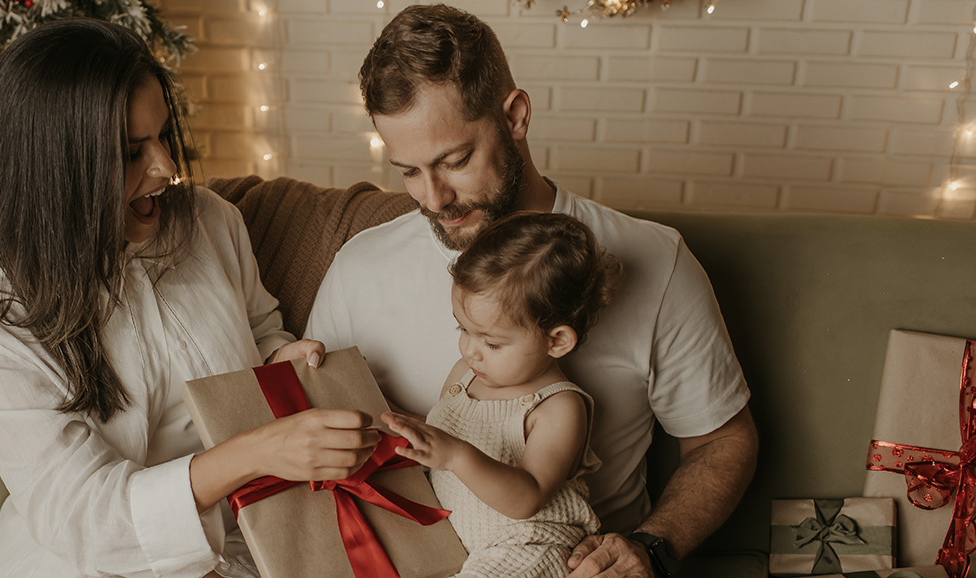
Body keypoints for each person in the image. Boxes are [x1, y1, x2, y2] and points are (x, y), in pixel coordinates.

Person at [304, 5, 758, 577]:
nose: (435, 199)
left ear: (515, 115)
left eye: (455, 160)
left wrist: (651, 546)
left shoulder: (656, 259)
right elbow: (309, 435)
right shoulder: (360, 266)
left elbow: (723, 441)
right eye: (409, 171)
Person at [0, 19, 378, 578]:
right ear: (59, 173)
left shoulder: (210, 222)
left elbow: (262, 328)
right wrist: (255, 452)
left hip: (249, 534)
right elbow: (89, 519)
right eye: (130, 153)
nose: (167, 169)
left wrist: (279, 360)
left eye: (163, 137)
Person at [381, 212, 619, 578]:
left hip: (529, 546)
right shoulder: (466, 374)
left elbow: (527, 498)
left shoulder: (558, 406)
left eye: (491, 342)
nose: (470, 350)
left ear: (556, 341)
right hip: (459, 545)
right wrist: (391, 418)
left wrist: (456, 456)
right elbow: (436, 435)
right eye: (463, 328)